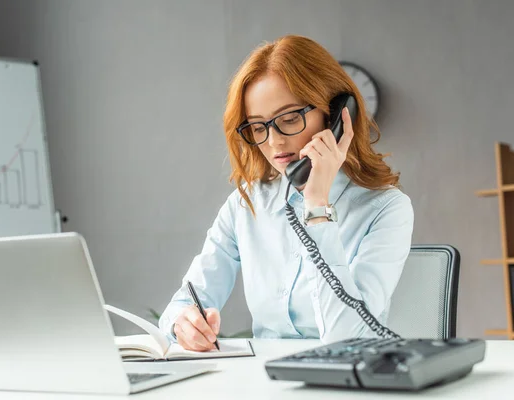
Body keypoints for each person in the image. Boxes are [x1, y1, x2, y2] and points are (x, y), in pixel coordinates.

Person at [158, 35, 414, 351]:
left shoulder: (386, 209)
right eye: (257, 126)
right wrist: (183, 323)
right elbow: (181, 305)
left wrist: (317, 205)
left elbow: (349, 338)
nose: (274, 141)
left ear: (335, 114)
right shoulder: (245, 204)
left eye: (290, 118)